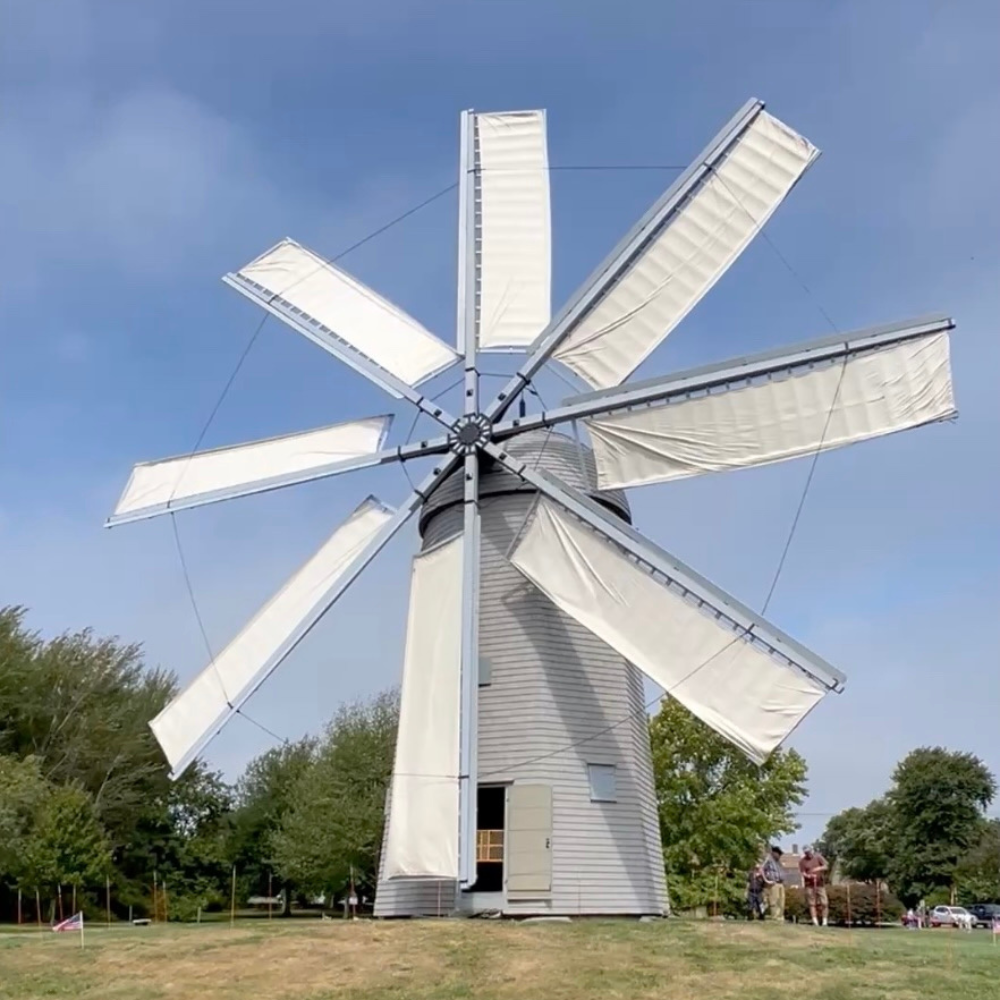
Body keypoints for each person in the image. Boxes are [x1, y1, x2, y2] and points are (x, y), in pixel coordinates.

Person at [798, 846, 829, 926]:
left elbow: (826, 866)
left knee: (824, 902)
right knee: (812, 903)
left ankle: (825, 921)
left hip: (820, 884)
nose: (808, 854)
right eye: (806, 853)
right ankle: (815, 922)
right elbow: (802, 872)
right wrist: (808, 876)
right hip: (809, 885)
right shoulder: (802, 861)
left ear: (812, 851)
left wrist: (818, 869)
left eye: (809, 852)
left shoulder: (818, 857)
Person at [760, 845, 786, 921]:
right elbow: (761, 869)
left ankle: (780, 916)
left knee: (781, 900)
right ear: (774, 853)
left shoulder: (778, 862)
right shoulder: (768, 859)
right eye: (778, 854)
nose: (779, 856)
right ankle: (774, 916)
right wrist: (766, 880)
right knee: (774, 900)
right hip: (773, 883)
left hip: (781, 883)